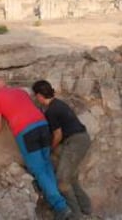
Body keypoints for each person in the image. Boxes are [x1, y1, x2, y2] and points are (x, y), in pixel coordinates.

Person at [0, 78, 72, 220]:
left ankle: (60, 207)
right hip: (43, 125)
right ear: (6, 85)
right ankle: (56, 201)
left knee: (38, 169)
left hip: (26, 132)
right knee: (46, 164)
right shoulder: (20, 91)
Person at [32, 80, 92, 220]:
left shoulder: (52, 110)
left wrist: (48, 150)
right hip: (78, 140)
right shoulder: (57, 104)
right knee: (71, 178)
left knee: (62, 181)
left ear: (40, 95)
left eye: (36, 95)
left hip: (75, 142)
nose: (36, 98)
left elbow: (57, 135)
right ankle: (86, 207)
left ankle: (76, 216)